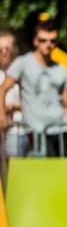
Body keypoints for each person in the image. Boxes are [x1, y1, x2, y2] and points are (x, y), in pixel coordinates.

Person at [0, 20, 67, 157]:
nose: (48, 44)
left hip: (60, 131)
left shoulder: (61, 70)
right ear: (35, 41)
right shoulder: (22, 63)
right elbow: (3, 89)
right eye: (43, 40)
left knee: (61, 176)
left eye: (52, 41)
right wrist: (2, 115)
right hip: (36, 133)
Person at [0, 31, 27, 161]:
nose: (4, 53)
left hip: (16, 131)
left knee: (13, 174)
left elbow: (33, 103)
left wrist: (15, 106)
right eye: (0, 49)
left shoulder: (21, 73)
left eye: (7, 49)